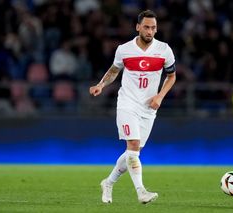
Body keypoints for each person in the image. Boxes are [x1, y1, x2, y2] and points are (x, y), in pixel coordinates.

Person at [89, 10, 176, 204]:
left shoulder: (164, 50)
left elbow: (172, 76)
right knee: (133, 146)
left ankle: (108, 182)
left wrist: (160, 97)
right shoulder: (124, 49)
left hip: (149, 108)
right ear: (138, 27)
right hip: (128, 103)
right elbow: (114, 70)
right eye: (146, 27)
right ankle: (141, 192)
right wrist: (101, 85)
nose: (150, 31)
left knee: (132, 153)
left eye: (153, 27)